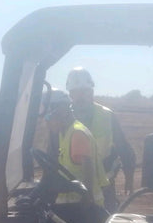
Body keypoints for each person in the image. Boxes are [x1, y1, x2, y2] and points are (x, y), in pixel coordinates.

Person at [66, 67, 136, 211]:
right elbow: (53, 152)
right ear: (70, 94)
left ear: (91, 92)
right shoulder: (61, 117)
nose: (81, 96)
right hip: (70, 186)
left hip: (104, 185)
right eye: (77, 92)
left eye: (85, 91)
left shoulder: (107, 116)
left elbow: (124, 148)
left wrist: (129, 178)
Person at [43, 90, 104, 208]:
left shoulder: (77, 133)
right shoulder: (64, 132)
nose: (47, 122)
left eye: (49, 116)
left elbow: (88, 167)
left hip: (83, 206)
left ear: (62, 110)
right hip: (71, 204)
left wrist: (86, 197)